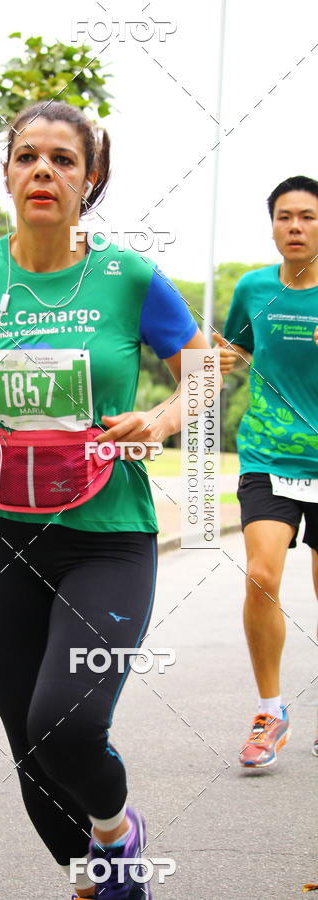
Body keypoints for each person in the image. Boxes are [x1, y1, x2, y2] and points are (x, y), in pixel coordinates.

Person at [0, 100, 211, 899]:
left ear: (90, 178)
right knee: (30, 751)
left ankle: (116, 832)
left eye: (63, 160)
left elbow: (203, 375)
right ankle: (95, 884)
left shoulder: (127, 276)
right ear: (6, 173)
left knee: (62, 722)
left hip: (109, 537)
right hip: (3, 537)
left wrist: (161, 420)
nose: (43, 170)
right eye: (27, 156)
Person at [215, 174, 318, 767]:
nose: (295, 227)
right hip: (268, 454)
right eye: (284, 217)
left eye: (306, 216)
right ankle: (271, 710)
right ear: (272, 224)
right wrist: (225, 358)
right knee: (262, 575)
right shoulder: (254, 288)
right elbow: (235, 351)